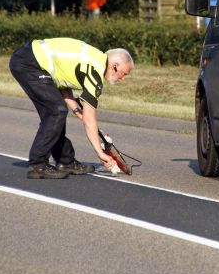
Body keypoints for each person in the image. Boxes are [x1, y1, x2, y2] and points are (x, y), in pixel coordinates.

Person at [9, 37, 134, 179]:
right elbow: (89, 119)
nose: (123, 79)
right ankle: (38, 164)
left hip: (28, 58)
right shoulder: (95, 71)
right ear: (115, 66)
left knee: (56, 112)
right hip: (29, 63)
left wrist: (76, 109)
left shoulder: (94, 58)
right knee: (57, 111)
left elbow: (62, 83)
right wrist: (100, 152)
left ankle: (65, 161)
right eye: (124, 73)